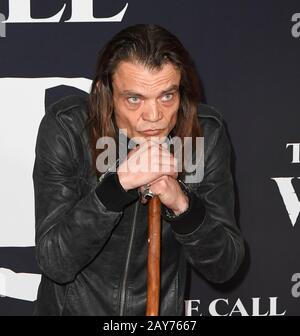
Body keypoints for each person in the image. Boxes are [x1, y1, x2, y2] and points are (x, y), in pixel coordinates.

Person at [32, 24, 245, 316]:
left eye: (167, 96)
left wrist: (181, 203)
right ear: (105, 92)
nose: (154, 116)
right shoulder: (69, 128)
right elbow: (55, 260)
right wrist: (117, 186)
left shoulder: (203, 136)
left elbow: (225, 265)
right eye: (134, 99)